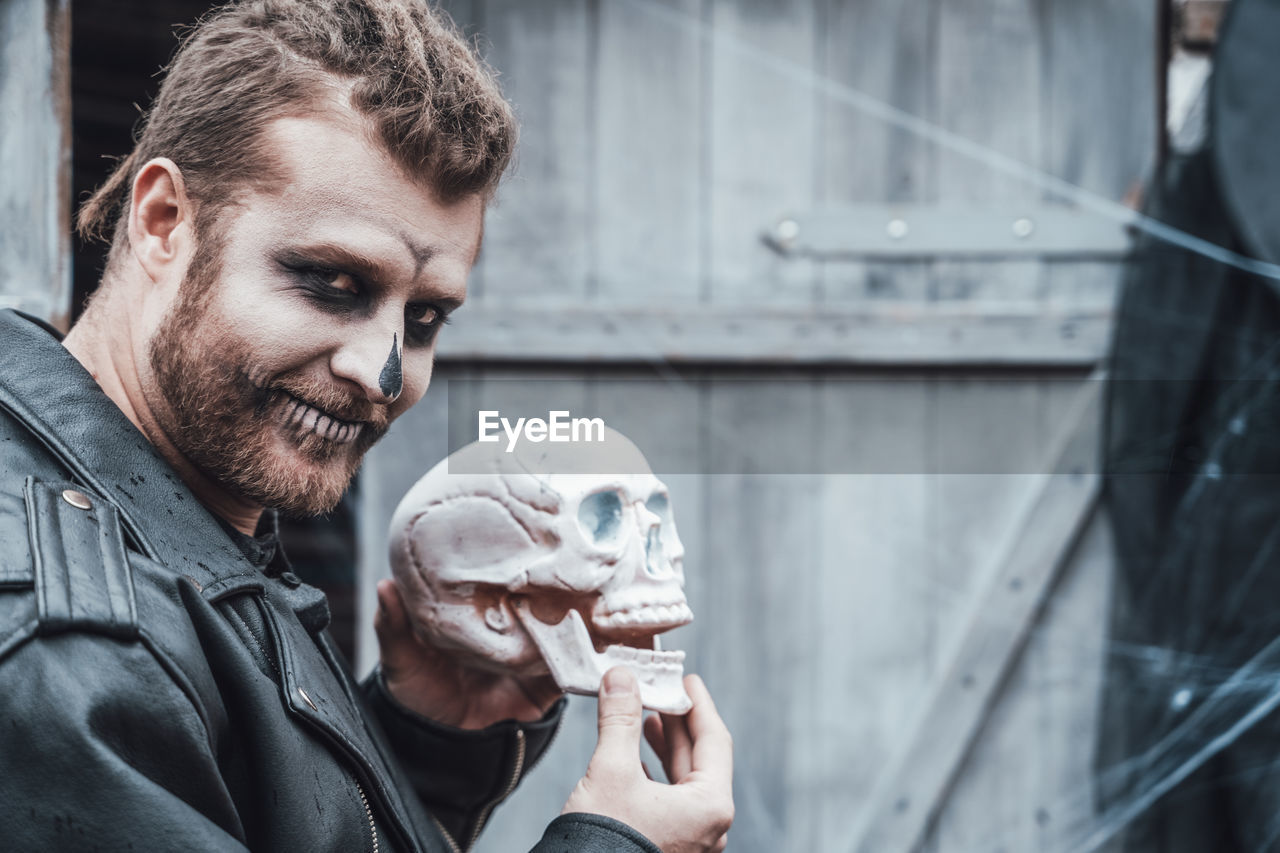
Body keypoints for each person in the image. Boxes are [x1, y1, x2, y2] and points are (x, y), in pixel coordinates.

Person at [0, 1, 734, 851]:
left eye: (423, 318)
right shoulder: (70, 646)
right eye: (331, 284)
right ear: (165, 220)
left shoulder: (185, 514)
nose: (381, 373)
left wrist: (431, 739)